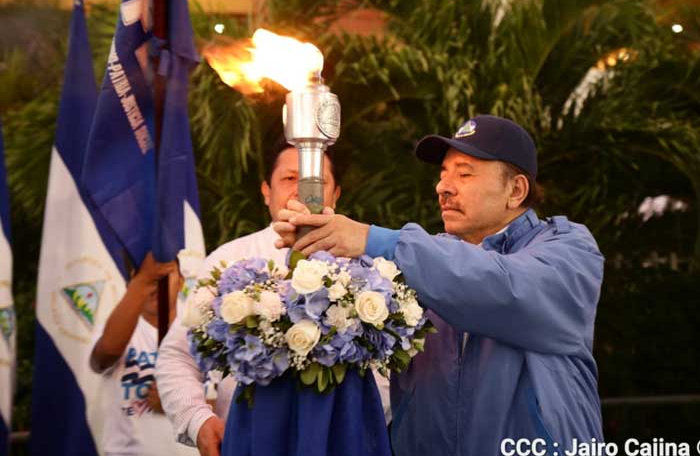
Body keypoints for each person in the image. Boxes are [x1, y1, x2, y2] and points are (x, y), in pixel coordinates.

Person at [274, 115, 605, 455]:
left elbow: (503, 289)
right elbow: (346, 294)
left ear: (515, 190)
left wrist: (371, 238)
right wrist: (315, 240)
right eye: (443, 174)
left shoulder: (569, 249)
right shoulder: (426, 258)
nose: (443, 187)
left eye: (464, 173)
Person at [155, 139, 392, 456]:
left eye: (316, 181)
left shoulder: (368, 267)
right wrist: (197, 420)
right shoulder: (229, 260)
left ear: (336, 194)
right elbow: (178, 356)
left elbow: (393, 367)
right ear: (266, 190)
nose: (301, 190)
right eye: (289, 178)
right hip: (248, 442)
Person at [90, 252, 197, 456]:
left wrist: (179, 403)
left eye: (164, 275)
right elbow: (103, 357)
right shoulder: (117, 331)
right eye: (148, 277)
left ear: (181, 281)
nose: (156, 285)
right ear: (133, 285)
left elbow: (223, 404)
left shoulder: (201, 332)